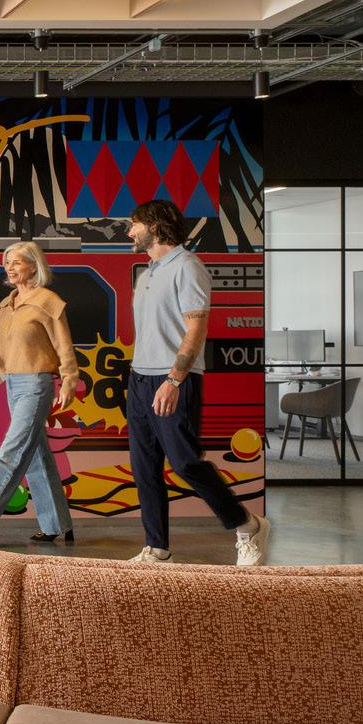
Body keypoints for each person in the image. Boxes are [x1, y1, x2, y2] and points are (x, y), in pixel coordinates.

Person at [124, 199, 271, 565]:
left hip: (173, 379)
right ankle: (157, 548)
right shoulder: (147, 273)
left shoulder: (187, 267)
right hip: (140, 379)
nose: (129, 232)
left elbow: (196, 329)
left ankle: (247, 525)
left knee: (186, 463)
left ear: (154, 226)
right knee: (144, 468)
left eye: (134, 224)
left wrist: (174, 380)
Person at [0, 241, 79, 546]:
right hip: (11, 384)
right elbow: (2, 347)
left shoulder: (48, 302)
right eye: (7, 262)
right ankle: (57, 525)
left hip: (36, 384)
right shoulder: (6, 306)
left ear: (34, 266)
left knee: (11, 452)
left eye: (17, 262)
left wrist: (70, 381)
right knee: (36, 456)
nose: (10, 267)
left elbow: (64, 347)